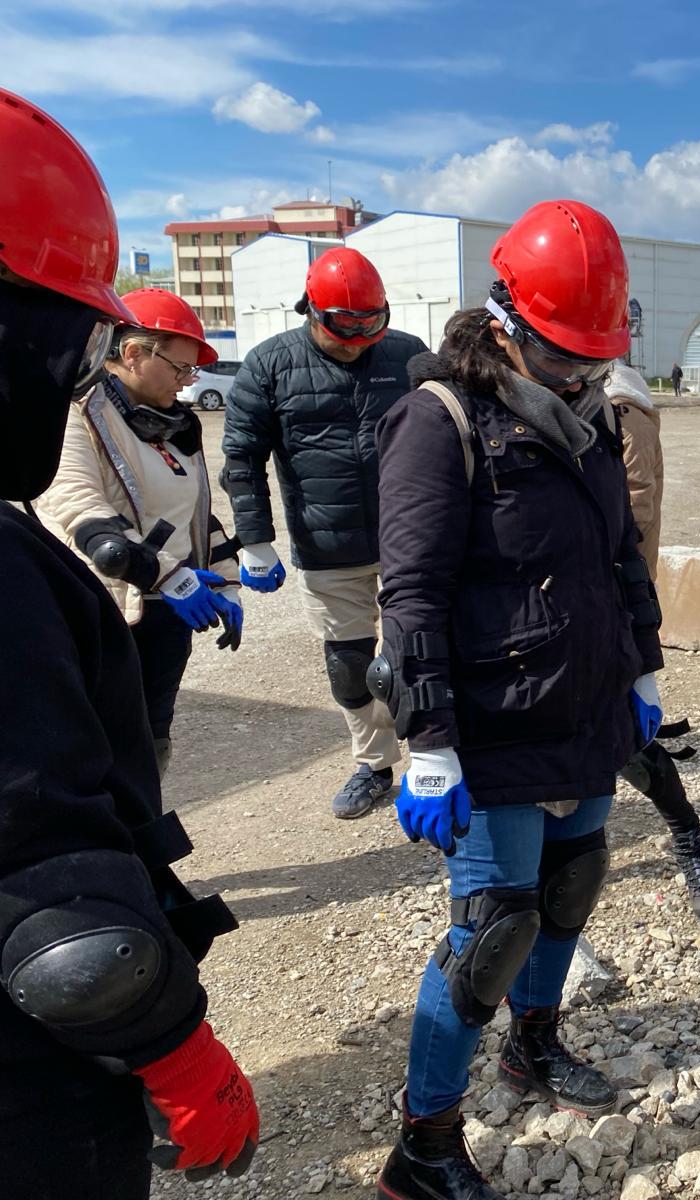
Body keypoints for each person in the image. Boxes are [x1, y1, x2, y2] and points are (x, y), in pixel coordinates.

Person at [371, 199, 664, 1200]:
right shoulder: (438, 419)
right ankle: (422, 1145)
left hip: (583, 712)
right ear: (504, 320)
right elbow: (409, 591)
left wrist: (648, 668)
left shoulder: (590, 422)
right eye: (560, 350)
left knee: (569, 891)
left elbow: (619, 558)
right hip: (491, 727)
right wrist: (428, 742)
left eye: (593, 354)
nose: (579, 372)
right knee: (490, 930)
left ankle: (534, 1046)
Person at [0, 87, 257, 1199]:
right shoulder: (29, 530)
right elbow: (43, 880)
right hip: (28, 1094)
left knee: (134, 757)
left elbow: (199, 499)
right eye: (78, 336)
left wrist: (235, 557)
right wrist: (175, 1049)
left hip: (146, 630)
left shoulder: (177, 419)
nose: (79, 362)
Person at [221, 247, 428, 818]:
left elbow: (451, 430)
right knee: (351, 667)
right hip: (326, 545)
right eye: (344, 329)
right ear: (311, 311)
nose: (359, 340)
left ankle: (442, 755)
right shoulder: (269, 365)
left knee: (427, 651)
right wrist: (254, 540)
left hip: (409, 538)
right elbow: (241, 456)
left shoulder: (408, 355)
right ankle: (375, 761)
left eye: (371, 326)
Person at [36, 289, 244, 778]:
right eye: (179, 369)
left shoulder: (172, 426)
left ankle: (145, 844)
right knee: (97, 749)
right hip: (106, 614)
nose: (187, 382)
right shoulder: (74, 414)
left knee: (151, 741)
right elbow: (83, 514)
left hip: (169, 615)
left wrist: (227, 580)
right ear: (132, 353)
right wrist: (168, 576)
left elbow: (198, 516)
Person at [606, 362, 700, 923]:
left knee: (626, 731)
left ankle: (688, 835)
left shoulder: (618, 406)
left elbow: (633, 512)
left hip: (604, 596)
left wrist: (639, 655)